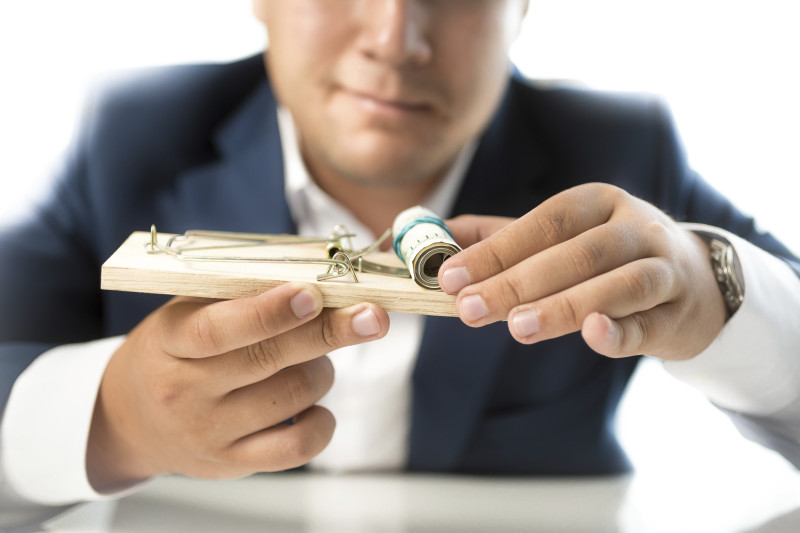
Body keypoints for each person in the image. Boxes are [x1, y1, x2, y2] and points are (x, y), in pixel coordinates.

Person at [2, 0, 799, 526]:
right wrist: (112, 417)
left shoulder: (620, 151)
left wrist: (722, 292)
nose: (394, 39)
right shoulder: (127, 137)